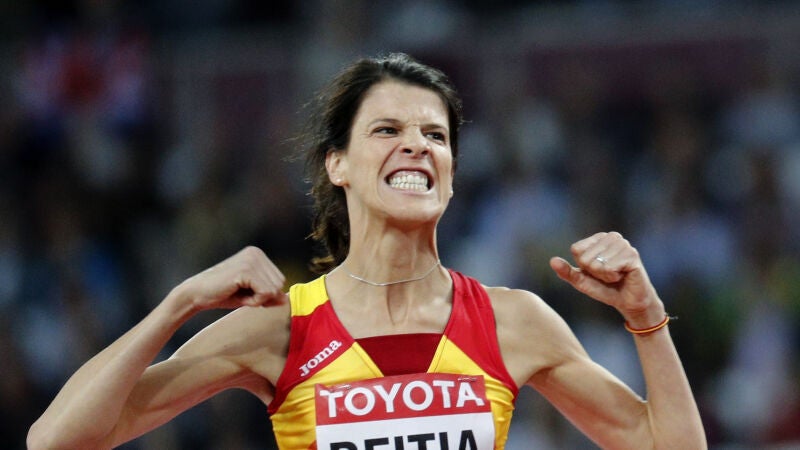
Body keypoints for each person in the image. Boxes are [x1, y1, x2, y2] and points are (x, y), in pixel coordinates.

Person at [27, 53, 706, 449]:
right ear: (338, 165)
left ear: (452, 172)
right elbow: (57, 439)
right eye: (387, 130)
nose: (416, 145)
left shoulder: (513, 321)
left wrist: (646, 320)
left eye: (435, 136)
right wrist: (176, 306)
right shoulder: (281, 329)